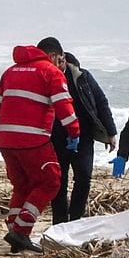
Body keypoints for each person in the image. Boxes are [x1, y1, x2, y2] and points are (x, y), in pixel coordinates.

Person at [0, 37, 80, 253]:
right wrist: (74, 132)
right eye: (60, 60)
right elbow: (63, 105)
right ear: (52, 56)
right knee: (51, 181)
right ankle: (21, 230)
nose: (61, 65)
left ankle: (14, 229)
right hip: (33, 139)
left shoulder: (10, 71)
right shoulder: (50, 72)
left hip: (6, 139)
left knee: (22, 185)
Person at [49, 49, 118, 224]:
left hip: (84, 136)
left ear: (64, 60)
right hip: (56, 137)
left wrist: (110, 132)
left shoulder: (83, 77)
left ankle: (76, 219)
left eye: (61, 62)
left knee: (84, 177)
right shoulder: (47, 78)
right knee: (58, 182)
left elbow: (101, 102)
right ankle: (59, 222)